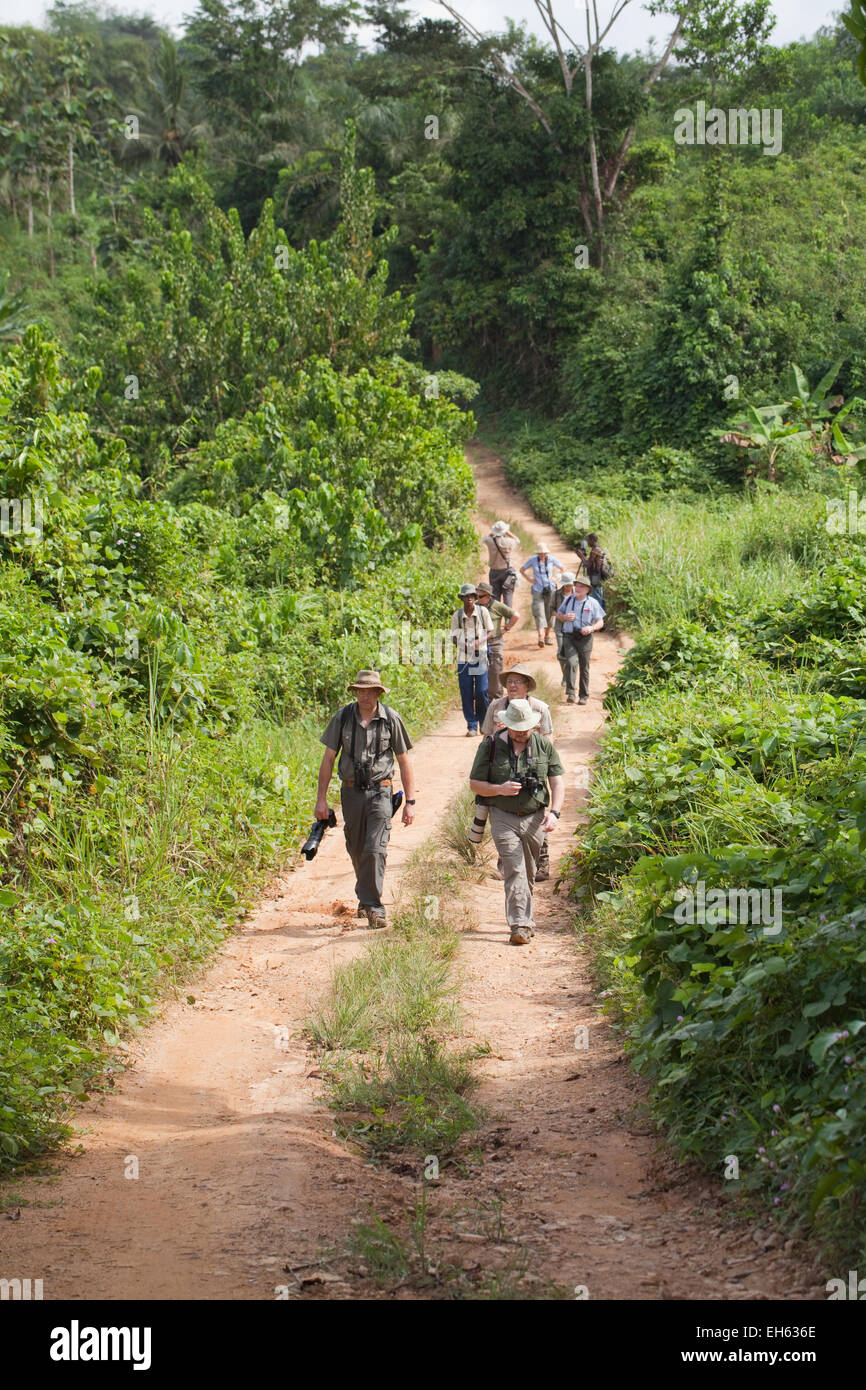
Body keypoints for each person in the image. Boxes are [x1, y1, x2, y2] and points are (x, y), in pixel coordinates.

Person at [316, 670, 416, 928]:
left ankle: (374, 907)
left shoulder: (390, 718)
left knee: (375, 848)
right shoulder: (343, 717)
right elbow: (328, 760)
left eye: (369, 690)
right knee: (357, 848)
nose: (364, 695)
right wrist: (321, 800)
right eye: (360, 690)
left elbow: (404, 762)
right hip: (351, 792)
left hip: (381, 791)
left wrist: (410, 802)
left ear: (378, 693)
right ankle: (366, 896)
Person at [469, 698, 564, 946]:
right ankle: (519, 924)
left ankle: (525, 919)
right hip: (503, 816)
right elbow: (475, 784)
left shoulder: (543, 745)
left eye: (526, 729)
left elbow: (556, 781)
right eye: (516, 729)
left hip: (535, 817)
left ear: (533, 726)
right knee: (514, 868)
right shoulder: (490, 746)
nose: (521, 733)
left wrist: (555, 813)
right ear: (507, 725)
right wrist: (499, 789)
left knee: (530, 871)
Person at [481, 663, 554, 881]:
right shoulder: (495, 707)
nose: (512, 686)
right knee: (501, 813)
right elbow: (486, 737)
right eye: (509, 682)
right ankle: (506, 863)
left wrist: (543, 767)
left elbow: (549, 739)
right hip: (502, 767)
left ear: (527, 686)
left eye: (517, 682)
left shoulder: (540, 709)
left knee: (536, 812)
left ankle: (541, 863)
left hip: (532, 768)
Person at [555, 573, 604, 704]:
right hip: (569, 635)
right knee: (570, 662)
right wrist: (565, 617)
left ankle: (584, 695)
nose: (577, 588)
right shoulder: (569, 599)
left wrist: (591, 628)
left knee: (584, 666)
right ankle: (571, 693)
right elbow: (559, 614)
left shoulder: (593, 603)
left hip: (585, 637)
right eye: (576, 585)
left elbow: (601, 622)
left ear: (587, 589)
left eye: (581, 586)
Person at [450, 583, 492, 736]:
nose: (469, 600)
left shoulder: (483, 612)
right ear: (462, 598)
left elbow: (491, 632)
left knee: (481, 691)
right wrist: (462, 644)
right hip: (464, 658)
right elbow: (453, 637)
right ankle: (471, 725)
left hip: (480, 655)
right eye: (466, 597)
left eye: (472, 597)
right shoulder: (457, 615)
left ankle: (484, 722)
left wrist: (478, 643)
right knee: (466, 691)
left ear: (475, 598)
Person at [475, 580, 518, 697]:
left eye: (481, 596)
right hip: (479, 643)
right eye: (476, 595)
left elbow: (515, 615)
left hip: (494, 642)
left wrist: (506, 628)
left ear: (488, 596)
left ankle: (498, 697)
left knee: (495, 670)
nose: (478, 598)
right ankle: (484, 698)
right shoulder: (475, 606)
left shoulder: (496, 606)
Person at [520, 548, 563, 648]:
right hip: (537, 589)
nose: (542, 555)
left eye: (544, 553)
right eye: (540, 553)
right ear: (538, 553)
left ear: (546, 553)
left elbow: (562, 568)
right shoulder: (533, 560)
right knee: (539, 612)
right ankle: (540, 636)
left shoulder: (552, 559)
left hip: (550, 589)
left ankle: (547, 635)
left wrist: (556, 577)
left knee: (550, 612)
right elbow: (522, 570)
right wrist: (530, 579)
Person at [483, 520, 519, 608]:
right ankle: (508, 619)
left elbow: (484, 538)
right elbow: (517, 540)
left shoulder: (490, 541)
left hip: (494, 571)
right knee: (508, 596)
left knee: (495, 596)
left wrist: (492, 533)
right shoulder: (509, 542)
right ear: (504, 531)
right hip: (508, 572)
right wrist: (508, 532)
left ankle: (496, 618)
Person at [582, 533, 613, 613]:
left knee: (596, 597)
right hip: (600, 576)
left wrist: (581, 556)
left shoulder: (595, 551)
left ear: (592, 540)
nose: (588, 542)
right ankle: (602, 617)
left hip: (596, 577)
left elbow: (588, 564)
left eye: (588, 540)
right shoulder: (599, 549)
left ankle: (599, 618)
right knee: (600, 596)